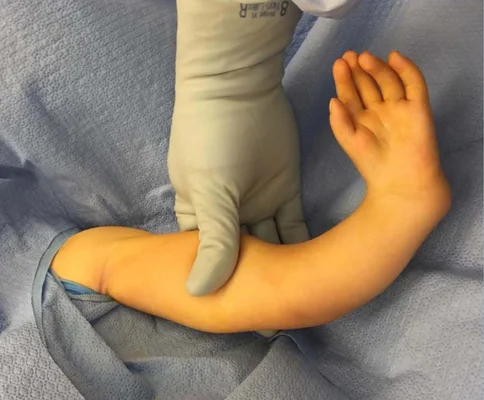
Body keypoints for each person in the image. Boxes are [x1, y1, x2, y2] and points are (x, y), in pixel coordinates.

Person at [51, 51, 451, 334]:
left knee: (97, 263)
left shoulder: (66, 277)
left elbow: (260, 285)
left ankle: (403, 203)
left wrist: (398, 206)